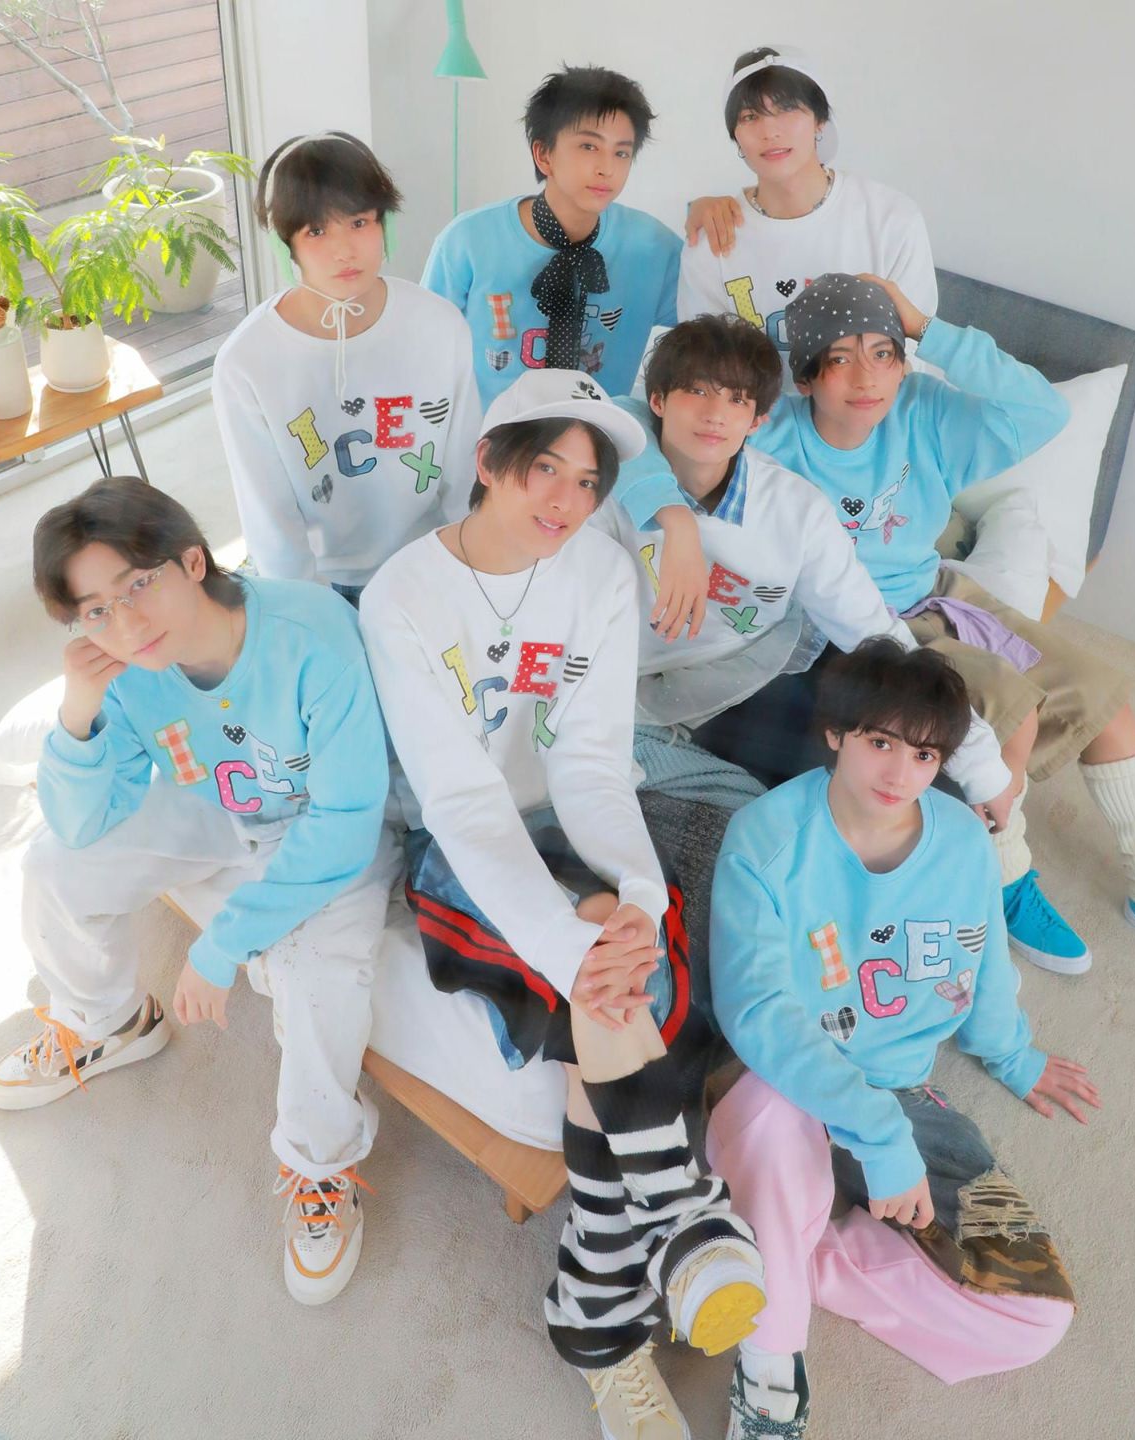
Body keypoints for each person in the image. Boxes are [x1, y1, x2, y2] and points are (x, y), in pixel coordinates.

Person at [361, 370, 765, 1439]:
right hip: (461, 841)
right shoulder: (402, 598)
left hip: (569, 814)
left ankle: (596, 1318)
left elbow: (590, 760)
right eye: (545, 468)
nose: (566, 500)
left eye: (588, 483)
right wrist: (566, 932)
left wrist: (632, 893)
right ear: (489, 463)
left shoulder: (599, 572)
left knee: (641, 963)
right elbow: (460, 800)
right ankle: (682, 1220)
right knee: (608, 976)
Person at [614, 271, 1135, 971]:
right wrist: (675, 519)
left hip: (931, 590)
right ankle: (1005, 878)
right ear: (805, 378)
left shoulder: (919, 414)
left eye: (884, 352)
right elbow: (625, 416)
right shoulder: (765, 437)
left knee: (1104, 697)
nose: (866, 375)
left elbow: (1040, 411)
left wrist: (927, 326)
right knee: (1003, 719)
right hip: (848, 621)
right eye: (840, 358)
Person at [0, 477, 398, 1307]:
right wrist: (77, 712)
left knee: (318, 975)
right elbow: (82, 822)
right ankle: (104, 1021)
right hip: (218, 806)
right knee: (52, 866)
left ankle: (319, 1165)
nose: (124, 622)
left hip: (327, 828)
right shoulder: (126, 673)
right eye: (94, 610)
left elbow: (349, 817)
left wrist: (223, 946)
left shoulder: (310, 632)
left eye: (137, 585)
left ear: (193, 561)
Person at [707, 639, 1098, 1440]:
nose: (900, 772)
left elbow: (982, 958)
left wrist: (1014, 1056)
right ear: (836, 734)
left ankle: (784, 1256)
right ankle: (771, 1361)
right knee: (778, 1119)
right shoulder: (765, 841)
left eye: (923, 755)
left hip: (904, 1087)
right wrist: (878, 1138)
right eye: (880, 742)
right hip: (782, 1083)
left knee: (1034, 1316)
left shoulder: (961, 839)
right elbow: (759, 1015)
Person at [595, 312, 1013, 823]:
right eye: (697, 392)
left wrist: (981, 765)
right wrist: (675, 522)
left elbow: (875, 634)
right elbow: (603, 418)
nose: (715, 415)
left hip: (746, 675)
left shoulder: (796, 509)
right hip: (625, 683)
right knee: (800, 814)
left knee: (923, 793)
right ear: (658, 401)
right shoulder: (600, 477)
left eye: (736, 400)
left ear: (757, 421)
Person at [213, 131, 480, 603]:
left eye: (359, 222)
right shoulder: (247, 362)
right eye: (316, 231)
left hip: (432, 562)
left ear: (385, 225)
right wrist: (311, 615)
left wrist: (470, 572)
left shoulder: (441, 326)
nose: (344, 250)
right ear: (284, 246)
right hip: (323, 584)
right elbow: (269, 521)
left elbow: (464, 474)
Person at [421, 65, 682, 407]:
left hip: (603, 434)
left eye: (621, 152)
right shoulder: (467, 241)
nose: (607, 168)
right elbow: (423, 352)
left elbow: (715, 331)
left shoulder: (653, 246)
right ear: (544, 154)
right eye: (588, 146)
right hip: (495, 434)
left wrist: (710, 218)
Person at [680, 47, 936, 388]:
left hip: (871, 415)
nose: (770, 131)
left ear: (820, 120)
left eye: (787, 109)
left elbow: (913, 353)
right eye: (750, 117)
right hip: (756, 419)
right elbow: (703, 369)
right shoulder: (712, 237)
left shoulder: (892, 220)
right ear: (735, 136)